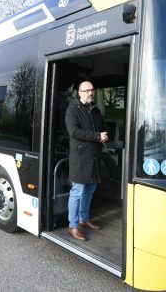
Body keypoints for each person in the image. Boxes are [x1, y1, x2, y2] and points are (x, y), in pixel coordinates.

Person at [64, 81, 108, 241]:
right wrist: (97, 136)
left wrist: (104, 135)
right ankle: (73, 226)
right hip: (81, 159)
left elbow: (102, 128)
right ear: (80, 93)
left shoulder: (95, 110)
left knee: (89, 191)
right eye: (87, 90)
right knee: (77, 192)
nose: (91, 93)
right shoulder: (72, 109)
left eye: (92, 90)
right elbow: (74, 132)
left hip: (94, 158)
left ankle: (84, 219)